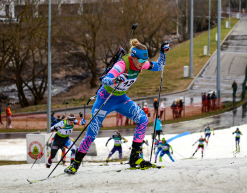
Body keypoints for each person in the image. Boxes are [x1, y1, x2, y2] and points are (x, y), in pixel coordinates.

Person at [64, 39, 169, 174]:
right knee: (92, 133)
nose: (142, 64)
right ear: (133, 57)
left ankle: (135, 158)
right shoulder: (121, 65)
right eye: (141, 61)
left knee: (142, 119)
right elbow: (105, 79)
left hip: (120, 99)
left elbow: (159, 66)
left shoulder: (141, 64)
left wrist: (162, 52)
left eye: (144, 61)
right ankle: (75, 164)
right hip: (105, 100)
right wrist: (116, 79)